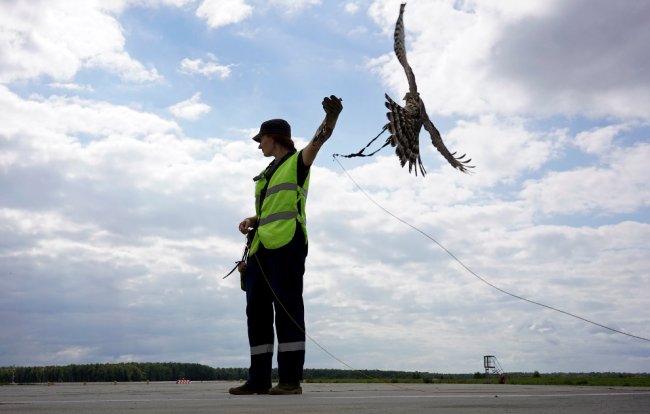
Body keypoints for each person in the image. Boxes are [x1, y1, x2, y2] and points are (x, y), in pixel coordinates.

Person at [229, 95, 343, 396]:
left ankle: (290, 380)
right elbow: (272, 208)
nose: (258, 145)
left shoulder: (297, 162)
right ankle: (259, 379)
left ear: (274, 138)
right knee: (257, 313)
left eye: (261, 139)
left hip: (287, 245)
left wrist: (331, 118)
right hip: (260, 249)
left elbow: (320, 141)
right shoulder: (265, 174)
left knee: (288, 308)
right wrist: (253, 220)